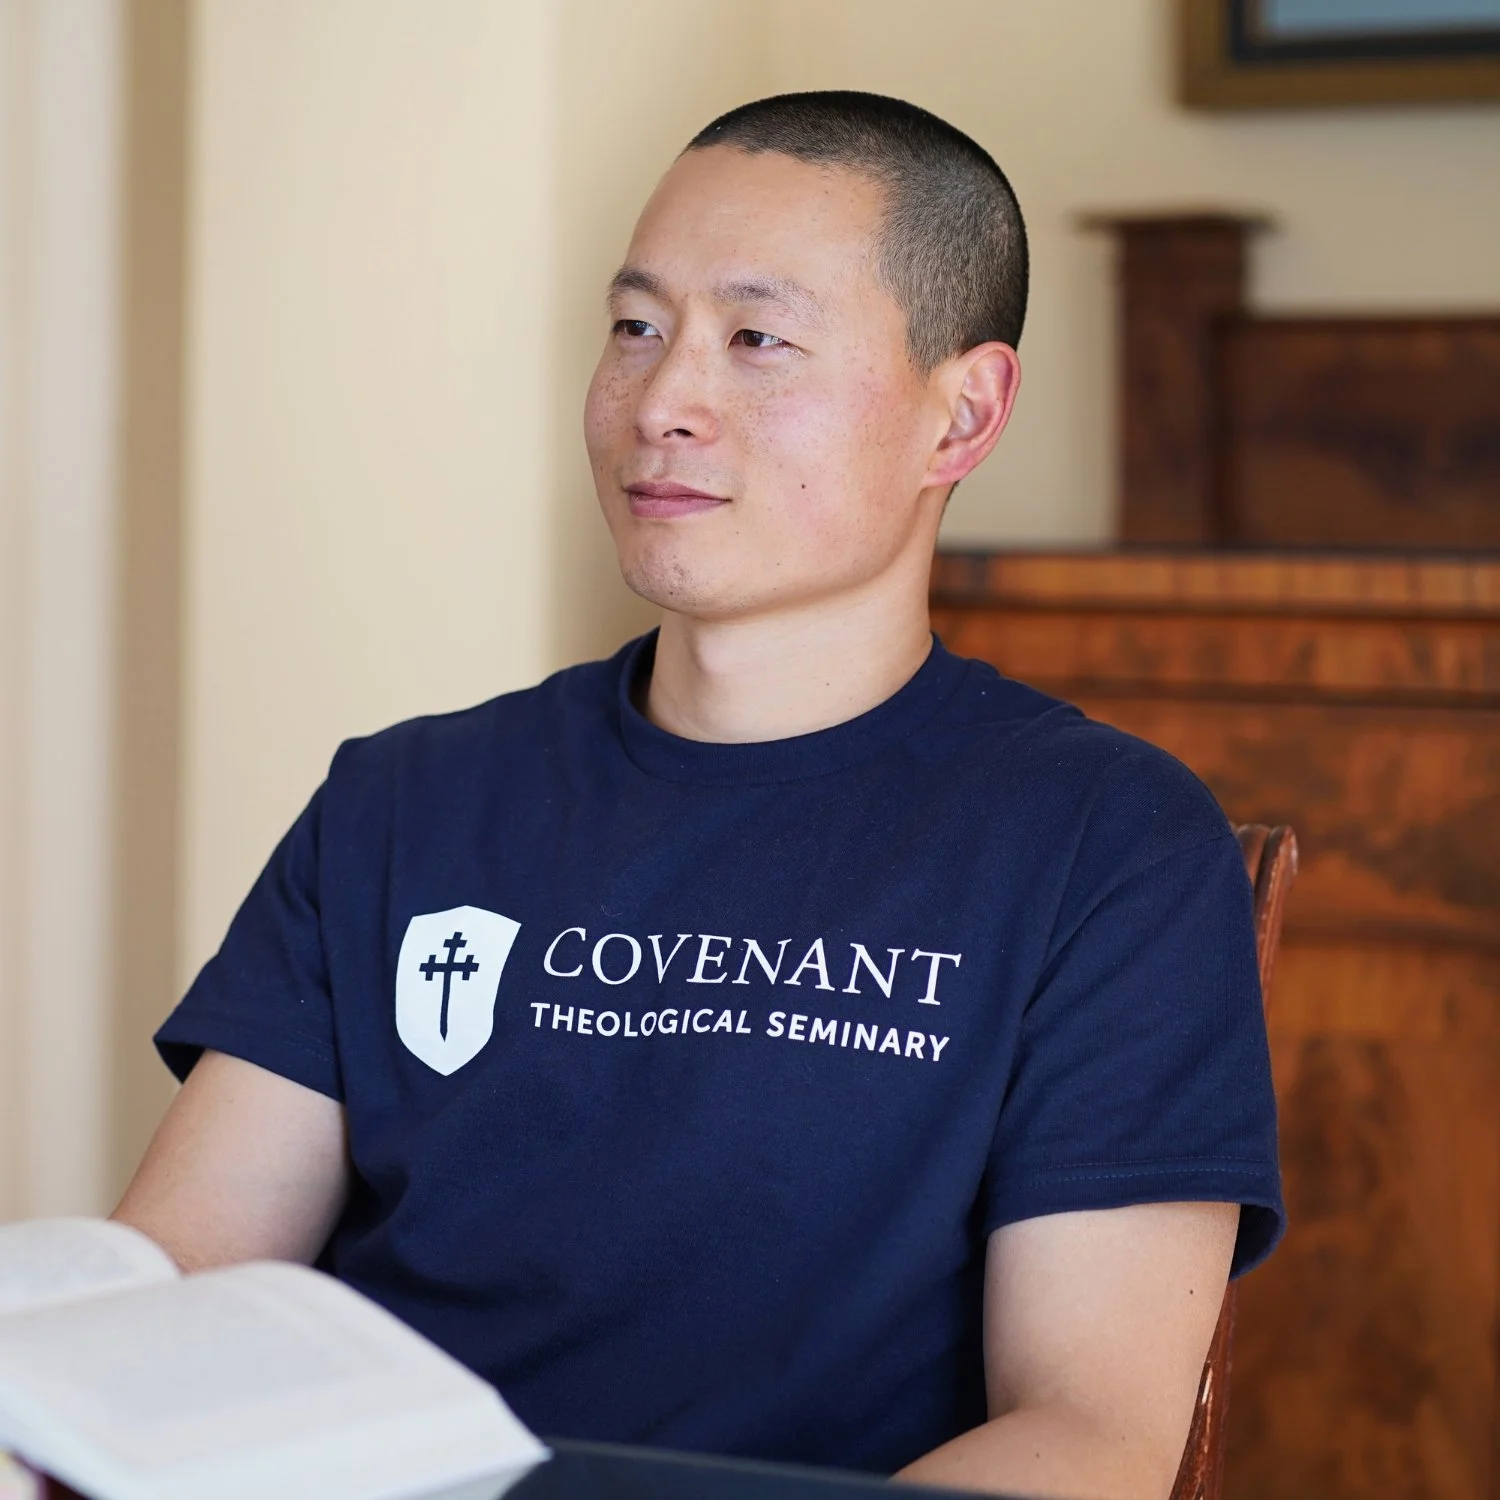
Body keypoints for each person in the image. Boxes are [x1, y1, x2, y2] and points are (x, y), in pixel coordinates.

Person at [113, 92, 1282, 1500]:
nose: (663, 402)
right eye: (635, 328)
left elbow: (1090, 1435)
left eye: (757, 340)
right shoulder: (406, 801)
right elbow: (169, 1312)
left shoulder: (1106, 844)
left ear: (960, 415)